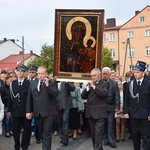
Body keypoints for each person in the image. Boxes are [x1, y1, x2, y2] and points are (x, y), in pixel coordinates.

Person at [26, 66, 59, 150]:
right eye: (39, 73)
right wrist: (28, 111)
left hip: (48, 113)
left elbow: (55, 94)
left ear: (46, 73)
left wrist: (47, 85)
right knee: (41, 133)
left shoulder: (52, 82)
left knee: (47, 134)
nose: (40, 75)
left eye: (42, 74)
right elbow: (29, 98)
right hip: (37, 113)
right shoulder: (33, 83)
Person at [81, 68, 110, 150]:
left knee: (98, 134)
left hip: (100, 113)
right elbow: (83, 96)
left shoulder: (105, 83)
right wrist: (87, 88)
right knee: (93, 135)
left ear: (99, 75)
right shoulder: (90, 85)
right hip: (90, 113)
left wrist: (93, 86)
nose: (92, 77)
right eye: (91, 76)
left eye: (94, 75)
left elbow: (104, 93)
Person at [124, 60, 150, 150]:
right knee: (135, 135)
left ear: (143, 72)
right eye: (134, 72)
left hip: (146, 114)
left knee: (146, 135)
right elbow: (126, 99)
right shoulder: (130, 84)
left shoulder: (148, 83)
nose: (135, 74)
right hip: (134, 114)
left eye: (137, 72)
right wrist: (126, 111)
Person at [7, 64, 31, 150]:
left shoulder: (28, 83)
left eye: (22, 71)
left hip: (26, 111)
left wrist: (30, 110)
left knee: (26, 131)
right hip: (15, 111)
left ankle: (25, 146)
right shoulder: (12, 83)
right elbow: (10, 98)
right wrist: (9, 110)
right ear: (16, 72)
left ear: (24, 73)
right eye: (19, 71)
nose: (20, 72)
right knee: (15, 130)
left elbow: (30, 98)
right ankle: (16, 146)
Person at [102, 67, 120, 148]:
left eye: (106, 74)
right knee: (104, 124)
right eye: (103, 74)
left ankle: (111, 141)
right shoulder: (100, 82)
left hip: (111, 107)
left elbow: (117, 96)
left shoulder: (114, 83)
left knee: (110, 124)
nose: (105, 75)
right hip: (101, 108)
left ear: (109, 74)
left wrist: (117, 107)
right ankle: (105, 139)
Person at [56, 81, 75, 146]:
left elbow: (73, 88)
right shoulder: (55, 81)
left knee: (65, 121)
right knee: (60, 122)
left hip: (66, 105)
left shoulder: (68, 81)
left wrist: (67, 82)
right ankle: (62, 138)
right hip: (58, 105)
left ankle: (65, 140)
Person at [27, 66, 41, 144]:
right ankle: (27, 140)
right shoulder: (26, 81)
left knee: (37, 124)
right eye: (30, 72)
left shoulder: (38, 81)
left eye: (33, 72)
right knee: (27, 125)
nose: (31, 74)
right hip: (29, 106)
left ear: (35, 73)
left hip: (36, 106)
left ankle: (38, 138)